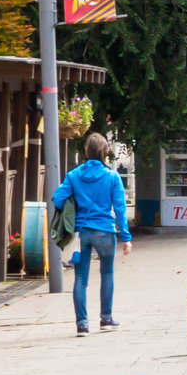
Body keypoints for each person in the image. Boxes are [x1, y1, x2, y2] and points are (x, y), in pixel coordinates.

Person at [51, 132, 132, 334]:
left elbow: (57, 199)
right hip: (105, 231)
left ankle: (82, 324)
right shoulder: (112, 177)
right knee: (107, 273)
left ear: (86, 152)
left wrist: (74, 204)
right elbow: (120, 208)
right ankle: (106, 319)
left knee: (80, 278)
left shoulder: (73, 175)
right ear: (105, 153)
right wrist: (126, 237)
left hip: (80, 232)